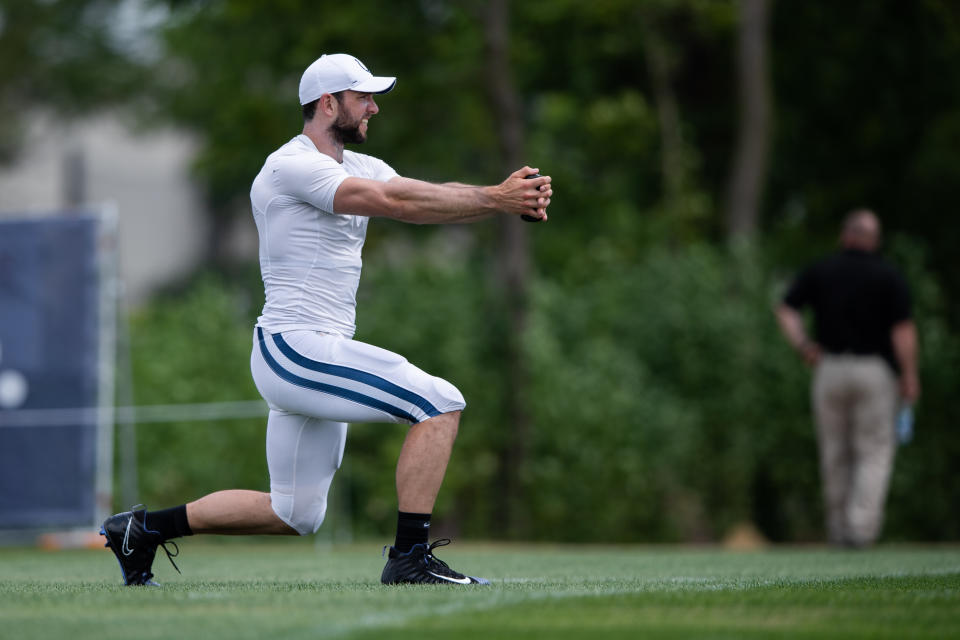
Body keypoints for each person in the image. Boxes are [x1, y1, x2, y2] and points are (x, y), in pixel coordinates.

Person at [101, 53, 552, 586]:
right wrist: (496, 197)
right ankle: (410, 558)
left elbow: (421, 198)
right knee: (438, 403)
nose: (374, 108)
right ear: (327, 103)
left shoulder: (359, 165)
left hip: (309, 350)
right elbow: (392, 202)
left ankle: (141, 529)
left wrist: (500, 200)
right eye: (363, 97)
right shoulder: (289, 165)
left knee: (296, 513)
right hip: (295, 348)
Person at [775, 209, 919, 548]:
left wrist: (803, 345)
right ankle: (860, 529)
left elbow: (785, 308)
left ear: (845, 235)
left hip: (830, 368)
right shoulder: (889, 276)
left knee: (834, 451)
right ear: (874, 240)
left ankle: (838, 528)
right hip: (874, 371)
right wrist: (909, 374)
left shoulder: (822, 270)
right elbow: (903, 331)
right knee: (873, 451)